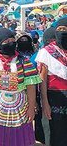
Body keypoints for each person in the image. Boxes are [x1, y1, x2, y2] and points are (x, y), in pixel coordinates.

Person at [0, 28, 41, 146]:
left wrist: (31, 107)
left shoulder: (24, 62)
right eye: (6, 41)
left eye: (12, 40)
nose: (10, 43)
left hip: (20, 107)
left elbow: (31, 87)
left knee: (19, 139)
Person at [35, 17, 67, 146]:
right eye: (60, 30)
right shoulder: (46, 52)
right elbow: (42, 81)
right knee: (56, 134)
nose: (63, 32)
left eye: (65, 29)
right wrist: (45, 103)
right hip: (54, 99)